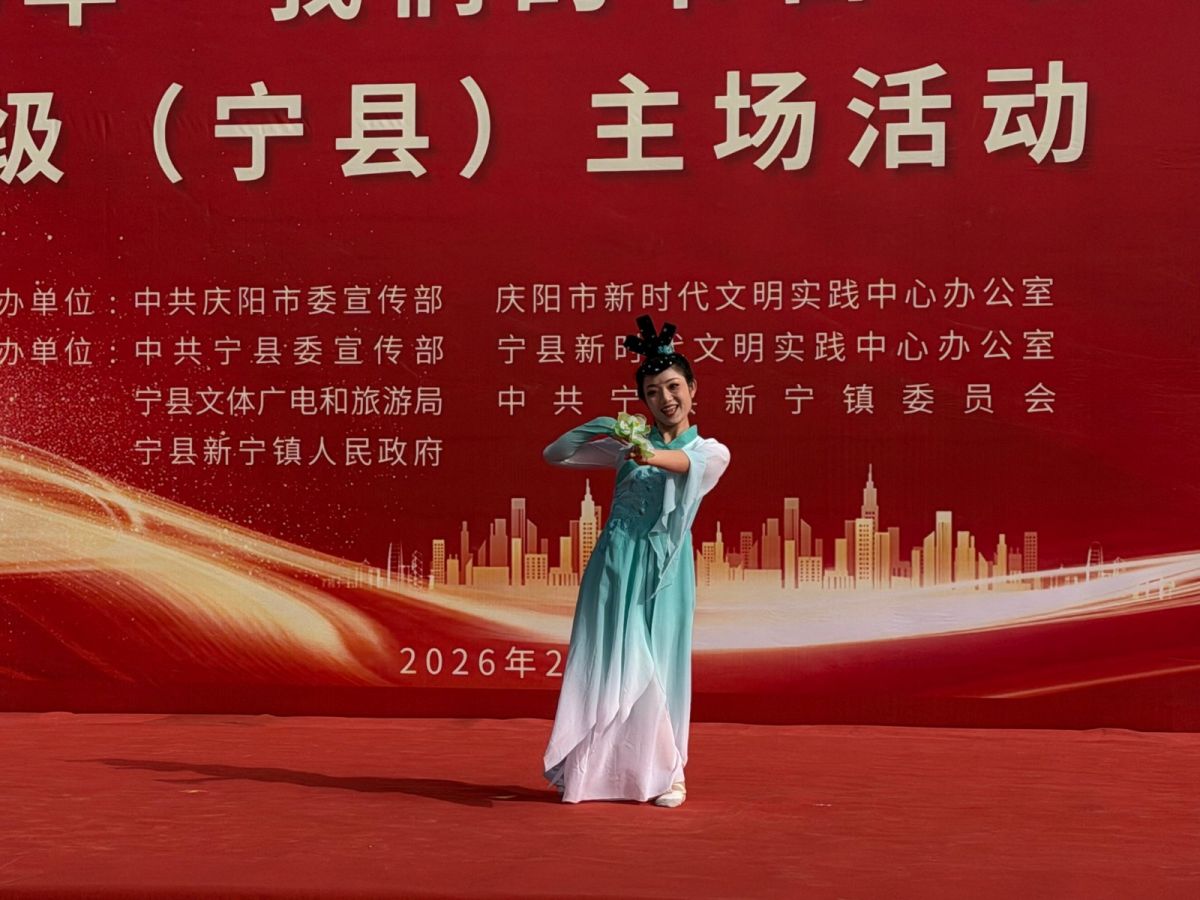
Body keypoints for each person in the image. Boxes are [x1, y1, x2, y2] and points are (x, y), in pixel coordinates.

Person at [541, 315, 731, 806]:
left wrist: (644, 450)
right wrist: (602, 427)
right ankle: (592, 771)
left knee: (659, 666)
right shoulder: (627, 448)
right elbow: (555, 454)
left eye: (673, 387)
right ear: (643, 401)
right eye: (652, 392)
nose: (666, 398)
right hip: (613, 564)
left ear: (693, 389)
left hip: (664, 572)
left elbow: (682, 464)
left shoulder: (711, 451)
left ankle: (669, 773)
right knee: (605, 659)